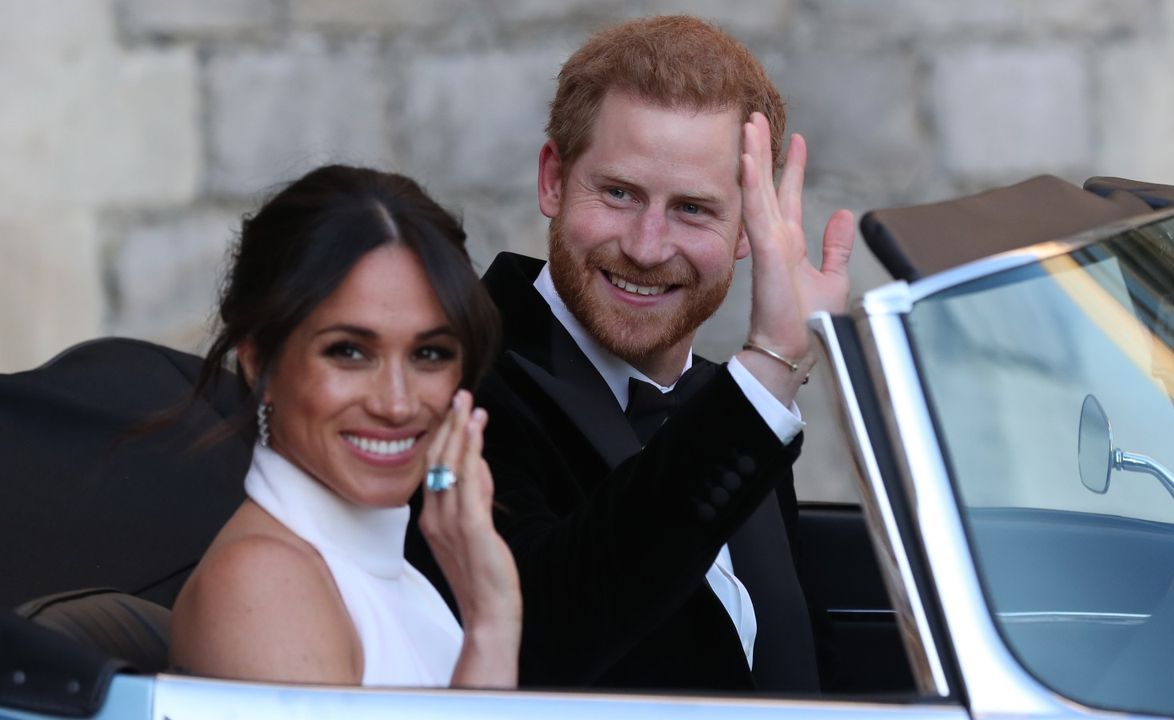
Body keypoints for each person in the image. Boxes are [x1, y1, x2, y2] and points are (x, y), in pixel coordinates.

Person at [407, 16, 855, 692]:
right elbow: (539, 638)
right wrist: (769, 370)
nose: (647, 246)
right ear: (554, 180)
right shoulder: (454, 376)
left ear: (747, 230)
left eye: (694, 210)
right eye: (618, 193)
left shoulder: (727, 404)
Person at [169, 165, 521, 688]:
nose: (397, 404)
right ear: (257, 361)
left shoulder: (395, 576)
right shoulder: (263, 584)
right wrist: (492, 627)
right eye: (349, 352)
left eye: (429, 353)